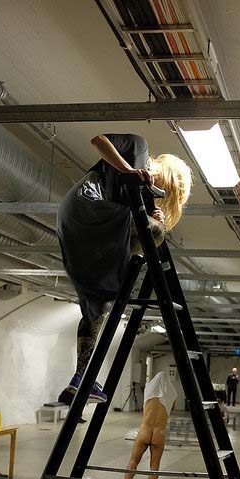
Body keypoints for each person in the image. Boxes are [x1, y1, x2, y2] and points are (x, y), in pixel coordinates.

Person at [56, 133, 192, 406]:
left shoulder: (138, 195)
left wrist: (151, 214)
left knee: (96, 311)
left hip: (78, 233)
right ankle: (123, 275)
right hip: (88, 208)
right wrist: (130, 171)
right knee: (156, 232)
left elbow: (137, 216)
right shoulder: (138, 147)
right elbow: (97, 141)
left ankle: (79, 380)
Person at [114, 371, 177, 479]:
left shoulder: (149, 392)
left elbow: (144, 410)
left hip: (144, 431)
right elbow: (171, 408)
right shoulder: (171, 394)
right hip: (159, 434)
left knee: (133, 460)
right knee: (154, 466)